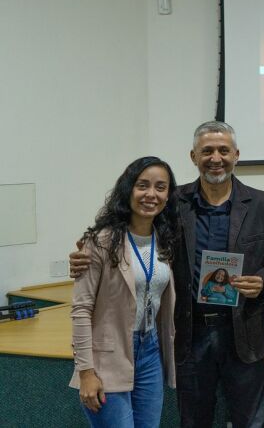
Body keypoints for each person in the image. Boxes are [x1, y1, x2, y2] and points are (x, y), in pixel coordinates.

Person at [70, 121, 264, 428]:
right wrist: (83, 257)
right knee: (193, 420)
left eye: (224, 150)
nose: (216, 158)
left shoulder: (263, 204)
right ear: (193, 156)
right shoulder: (172, 204)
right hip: (188, 334)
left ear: (236, 154)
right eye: (206, 151)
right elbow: (128, 236)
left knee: (250, 422)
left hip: (245, 332)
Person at [69, 156, 179, 427]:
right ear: (128, 189)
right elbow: (81, 310)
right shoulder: (101, 241)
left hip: (151, 351)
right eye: (142, 185)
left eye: (160, 187)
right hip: (108, 354)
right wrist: (86, 372)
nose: (151, 194)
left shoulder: (166, 239)